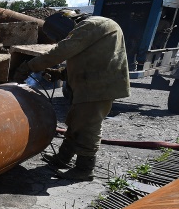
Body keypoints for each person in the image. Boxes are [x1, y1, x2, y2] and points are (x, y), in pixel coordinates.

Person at [13, 10, 130, 181]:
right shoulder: (98, 26)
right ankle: (62, 159)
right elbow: (90, 59)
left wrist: (30, 66)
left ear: (65, 23)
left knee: (88, 126)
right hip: (93, 83)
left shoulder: (91, 25)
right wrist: (60, 73)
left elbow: (62, 51)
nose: (64, 39)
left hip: (98, 87)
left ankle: (84, 169)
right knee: (76, 122)